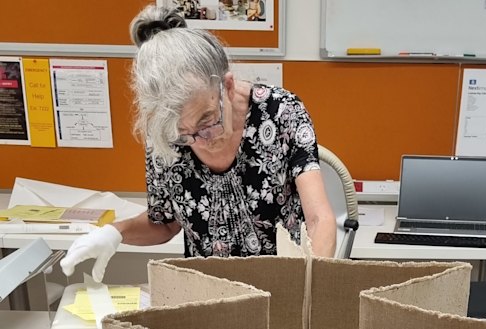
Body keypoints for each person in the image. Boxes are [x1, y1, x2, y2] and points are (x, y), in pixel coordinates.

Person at [60, 4, 337, 283]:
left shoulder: (281, 112)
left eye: (207, 121)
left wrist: (309, 289)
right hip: (208, 292)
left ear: (227, 87)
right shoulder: (164, 134)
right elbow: (165, 222)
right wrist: (116, 232)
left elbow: (318, 219)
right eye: (185, 134)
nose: (202, 141)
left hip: (285, 285)